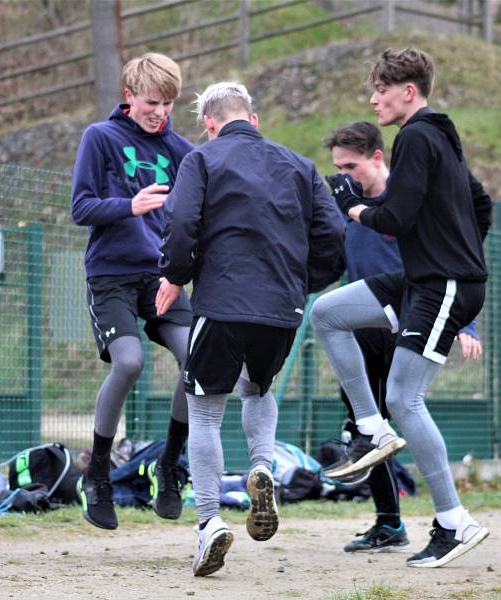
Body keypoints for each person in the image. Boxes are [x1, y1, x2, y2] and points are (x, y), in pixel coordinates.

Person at [310, 47, 493, 568]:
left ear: (407, 91)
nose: (373, 99)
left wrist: (353, 207)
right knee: (327, 313)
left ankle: (454, 523)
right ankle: (370, 428)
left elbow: (396, 219)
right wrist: (456, 245)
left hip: (443, 286)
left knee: (406, 400)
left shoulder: (415, 135)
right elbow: (478, 204)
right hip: (421, 278)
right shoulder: (440, 135)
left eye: (380, 90)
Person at [157, 81, 344, 576]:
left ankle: (209, 522)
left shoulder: (202, 159)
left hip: (221, 303)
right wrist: (302, 283)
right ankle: (263, 466)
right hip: (281, 310)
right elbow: (335, 234)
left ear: (210, 125)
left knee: (204, 411)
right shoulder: (300, 166)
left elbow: (180, 222)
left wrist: (175, 276)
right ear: (254, 120)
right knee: (259, 390)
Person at [70, 53, 195, 530]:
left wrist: (180, 272)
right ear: (128, 97)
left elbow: (191, 219)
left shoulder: (183, 150)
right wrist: (130, 205)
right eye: (150, 102)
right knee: (129, 362)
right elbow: (81, 207)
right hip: (111, 275)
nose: (158, 112)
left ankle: (168, 465)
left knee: (196, 358)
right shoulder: (99, 138)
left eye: (166, 104)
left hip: (161, 277)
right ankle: (97, 473)